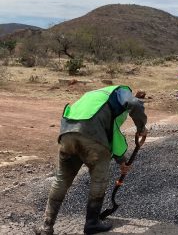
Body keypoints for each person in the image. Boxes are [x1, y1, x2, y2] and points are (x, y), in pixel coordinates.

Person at [36, 85, 147, 235]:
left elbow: (110, 131)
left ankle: (46, 227)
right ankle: (92, 223)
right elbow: (134, 104)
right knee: (98, 180)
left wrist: (121, 160)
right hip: (92, 136)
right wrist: (141, 128)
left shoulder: (93, 95)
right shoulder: (121, 91)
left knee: (61, 179)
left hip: (67, 134)